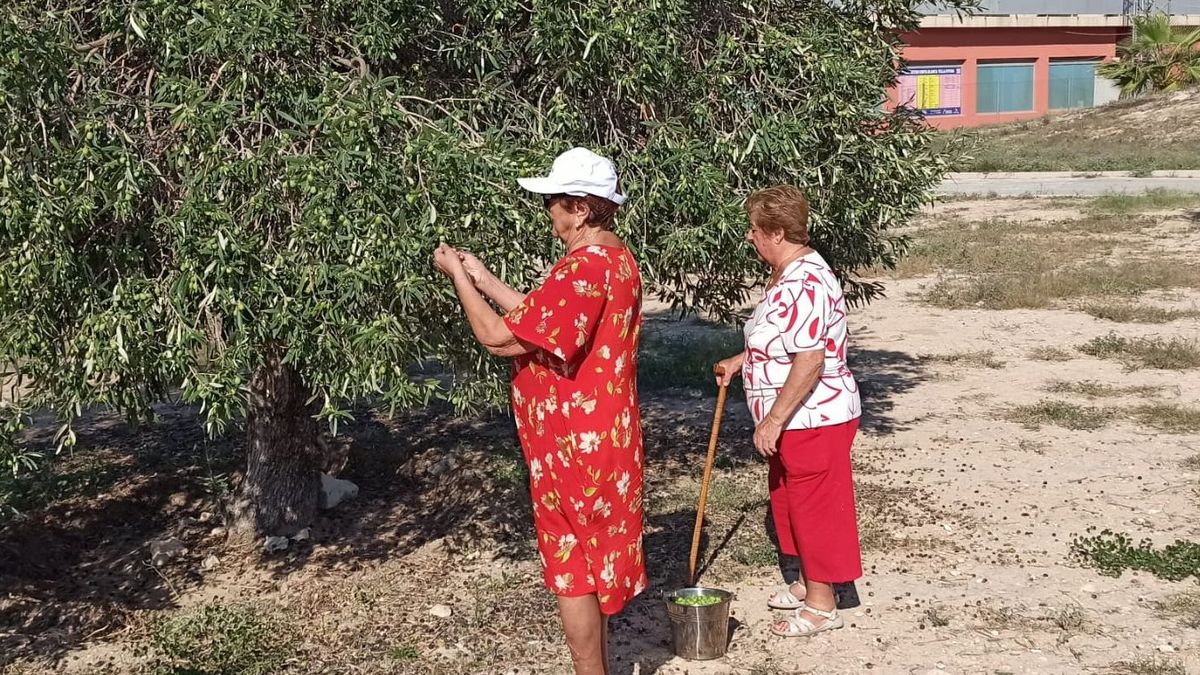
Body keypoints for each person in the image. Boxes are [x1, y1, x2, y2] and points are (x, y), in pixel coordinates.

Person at [433, 147, 646, 674]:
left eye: (552, 200)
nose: (546, 208)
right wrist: (484, 279)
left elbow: (498, 339)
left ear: (578, 207)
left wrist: (457, 279)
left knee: (574, 571)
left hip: (572, 448)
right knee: (593, 566)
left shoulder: (583, 269)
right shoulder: (612, 259)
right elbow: (543, 317)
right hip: (603, 438)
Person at [715, 185, 863, 638]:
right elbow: (781, 341)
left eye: (755, 230)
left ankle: (823, 604)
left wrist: (774, 419)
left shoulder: (807, 282)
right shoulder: (786, 273)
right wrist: (741, 362)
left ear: (777, 232)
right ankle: (806, 581)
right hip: (793, 415)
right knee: (789, 497)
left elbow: (811, 359)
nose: (749, 237)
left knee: (814, 504)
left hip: (813, 415)